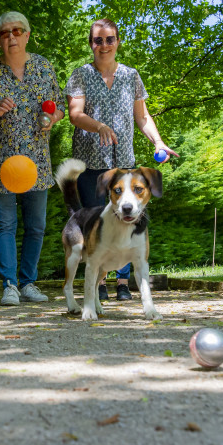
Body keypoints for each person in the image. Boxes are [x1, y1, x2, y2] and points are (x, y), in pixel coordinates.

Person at [66, 18, 176, 302]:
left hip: (124, 162)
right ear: (91, 44)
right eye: (98, 40)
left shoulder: (131, 75)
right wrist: (99, 126)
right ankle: (99, 284)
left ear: (117, 42)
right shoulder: (80, 75)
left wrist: (158, 142)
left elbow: (143, 117)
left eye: (109, 39)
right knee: (95, 224)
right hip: (90, 161)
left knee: (128, 218)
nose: (104, 45)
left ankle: (123, 283)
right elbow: (75, 115)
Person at [0, 11, 65, 306]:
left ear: (27, 35)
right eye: (4, 33)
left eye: (17, 31)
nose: (11, 36)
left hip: (37, 163)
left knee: (36, 227)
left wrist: (53, 118)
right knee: (5, 226)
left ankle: (28, 283)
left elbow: (60, 105)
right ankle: (9, 285)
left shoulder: (44, 68)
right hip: (2, 165)